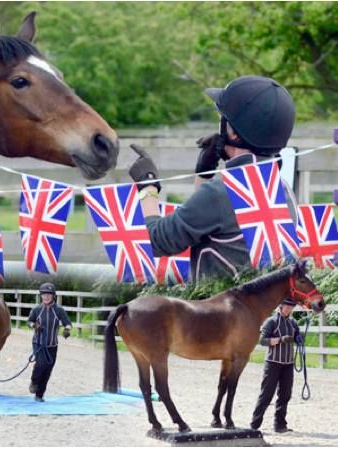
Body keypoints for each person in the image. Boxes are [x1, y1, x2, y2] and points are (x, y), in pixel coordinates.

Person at [127, 75, 297, 281]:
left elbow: (154, 241)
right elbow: (210, 223)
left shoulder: (220, 193)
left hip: (217, 312)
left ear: (233, 133)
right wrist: (205, 172)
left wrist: (148, 186)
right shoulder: (283, 189)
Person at [250, 298, 301, 433]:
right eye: (287, 306)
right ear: (281, 306)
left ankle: (280, 424)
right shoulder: (271, 321)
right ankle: (254, 424)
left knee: (285, 394)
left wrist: (298, 338)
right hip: (273, 363)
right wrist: (279, 340)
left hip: (288, 364)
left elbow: (297, 337)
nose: (289, 309)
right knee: (266, 394)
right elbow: (262, 340)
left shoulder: (293, 323)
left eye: (291, 307)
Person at [27, 283, 72, 402]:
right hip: (39, 343)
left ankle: (39, 395)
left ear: (53, 296)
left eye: (49, 295)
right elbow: (29, 321)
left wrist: (67, 329)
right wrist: (35, 325)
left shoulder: (59, 310)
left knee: (48, 369)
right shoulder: (37, 309)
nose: (46, 297)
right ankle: (34, 381)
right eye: (44, 295)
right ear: (41, 296)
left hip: (52, 345)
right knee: (41, 364)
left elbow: (67, 322)